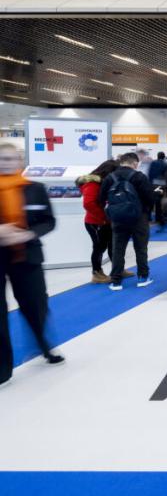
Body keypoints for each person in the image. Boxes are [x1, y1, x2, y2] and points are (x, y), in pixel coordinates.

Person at [0, 144, 65, 388]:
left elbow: (48, 221)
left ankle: (44, 345)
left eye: (10, 159)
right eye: (1, 159)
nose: (5, 163)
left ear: (20, 162)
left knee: (36, 305)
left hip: (27, 256)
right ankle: (3, 368)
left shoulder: (35, 189)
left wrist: (29, 234)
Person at [99, 152, 158, 291]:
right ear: (135, 163)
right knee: (141, 248)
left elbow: (101, 199)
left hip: (118, 218)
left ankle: (116, 281)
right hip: (139, 218)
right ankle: (143, 277)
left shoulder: (110, 178)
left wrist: (112, 212)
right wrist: (145, 211)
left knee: (118, 249)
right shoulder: (139, 177)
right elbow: (150, 199)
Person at [77, 159, 119, 284]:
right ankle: (96, 273)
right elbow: (88, 204)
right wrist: (104, 217)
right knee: (99, 247)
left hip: (105, 221)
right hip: (96, 223)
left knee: (112, 245)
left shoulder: (103, 183)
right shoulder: (92, 184)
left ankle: (118, 269)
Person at [148, 152, 167, 226]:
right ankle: (158, 218)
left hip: (152, 183)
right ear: (164, 157)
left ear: (157, 156)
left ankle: (149, 217)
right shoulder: (166, 164)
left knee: (151, 200)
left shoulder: (152, 163)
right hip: (160, 184)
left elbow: (150, 173)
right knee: (159, 202)